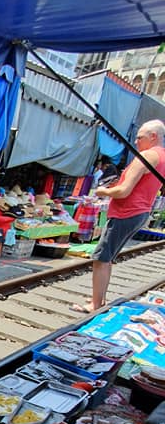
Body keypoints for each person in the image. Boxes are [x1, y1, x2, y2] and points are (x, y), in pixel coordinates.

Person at [72, 120, 165, 314]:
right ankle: (99, 297)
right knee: (109, 257)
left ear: (153, 136)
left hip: (127, 211)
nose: (137, 141)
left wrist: (103, 191)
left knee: (101, 257)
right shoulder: (162, 156)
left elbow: (123, 191)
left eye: (140, 137)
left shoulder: (146, 156)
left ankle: (96, 305)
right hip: (140, 212)